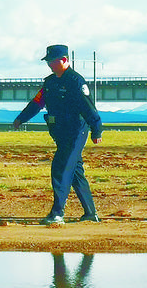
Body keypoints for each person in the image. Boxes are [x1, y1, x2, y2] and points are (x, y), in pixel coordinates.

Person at [12, 44, 103, 225]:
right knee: (75, 171)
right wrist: (21, 118)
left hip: (76, 131)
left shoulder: (76, 81)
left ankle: (57, 213)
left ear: (64, 60)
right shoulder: (50, 82)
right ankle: (90, 213)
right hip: (60, 133)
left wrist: (96, 128)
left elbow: (88, 107)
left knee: (61, 168)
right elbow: (37, 103)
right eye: (48, 62)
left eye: (52, 61)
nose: (49, 65)